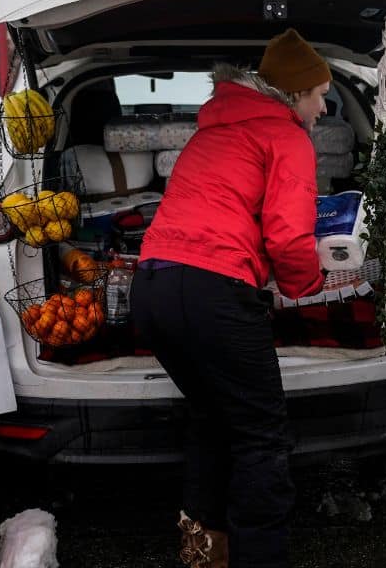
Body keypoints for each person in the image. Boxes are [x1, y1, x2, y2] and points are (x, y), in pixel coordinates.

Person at [129, 28, 330, 568]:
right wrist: (307, 285)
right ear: (292, 95)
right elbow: (288, 237)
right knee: (262, 435)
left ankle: (204, 551)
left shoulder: (211, 132)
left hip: (151, 289)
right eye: (317, 93)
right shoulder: (286, 138)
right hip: (211, 291)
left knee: (212, 418)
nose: (324, 104)